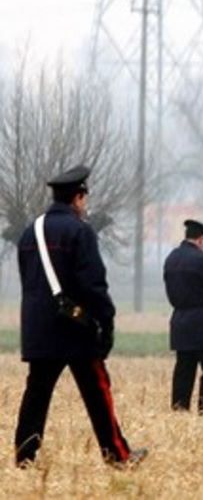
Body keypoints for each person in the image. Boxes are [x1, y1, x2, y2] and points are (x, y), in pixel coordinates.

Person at [14, 165, 147, 469]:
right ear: (77, 198)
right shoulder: (80, 231)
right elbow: (93, 284)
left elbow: (28, 281)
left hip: (38, 328)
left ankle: (24, 457)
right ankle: (117, 454)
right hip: (75, 328)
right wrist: (106, 322)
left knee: (36, 394)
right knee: (97, 391)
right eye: (84, 198)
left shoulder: (28, 232)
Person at [164, 219, 203, 414]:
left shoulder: (171, 259)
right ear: (202, 239)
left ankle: (179, 410)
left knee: (184, 370)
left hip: (179, 320)